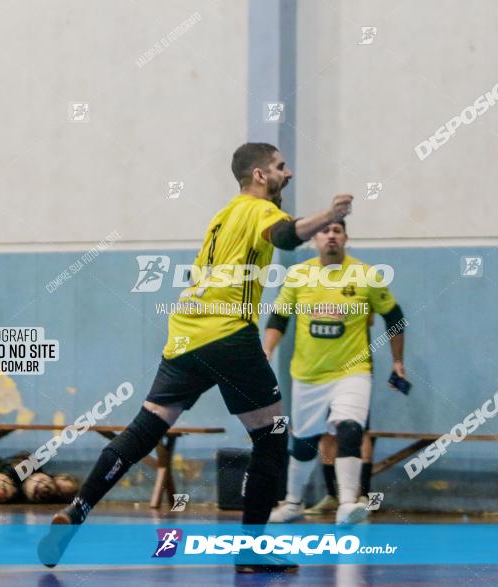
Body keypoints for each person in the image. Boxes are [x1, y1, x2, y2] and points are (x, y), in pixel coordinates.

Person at [39, 143, 353, 574]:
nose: (289, 173)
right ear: (260, 176)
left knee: (146, 426)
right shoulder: (257, 210)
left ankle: (77, 510)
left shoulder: (222, 216)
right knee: (272, 436)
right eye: (281, 167)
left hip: (185, 336)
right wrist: (331, 214)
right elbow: (287, 237)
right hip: (228, 334)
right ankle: (250, 550)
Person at [263, 220, 408, 524]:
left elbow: (394, 315)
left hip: (352, 371)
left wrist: (397, 361)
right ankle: (292, 503)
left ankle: (347, 504)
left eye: (337, 231)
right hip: (308, 374)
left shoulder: (366, 275)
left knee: (350, 429)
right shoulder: (299, 275)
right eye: (324, 231)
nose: (330, 235)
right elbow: (279, 316)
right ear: (314, 239)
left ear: (345, 238)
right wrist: (267, 350)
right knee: (303, 442)